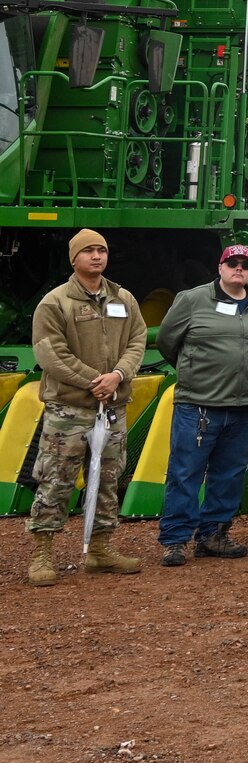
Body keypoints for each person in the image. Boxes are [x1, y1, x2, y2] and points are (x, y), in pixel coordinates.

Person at [25, 229, 149, 585]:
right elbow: (49, 353)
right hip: (69, 410)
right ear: (74, 258)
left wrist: (119, 375)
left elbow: (137, 340)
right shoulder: (56, 302)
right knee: (55, 479)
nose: (97, 256)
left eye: (102, 250)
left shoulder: (123, 298)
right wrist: (95, 380)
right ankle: (42, 553)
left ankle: (100, 550)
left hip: (112, 407)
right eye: (89, 251)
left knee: (109, 479)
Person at [155, 243, 248, 566]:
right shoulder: (192, 300)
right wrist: (193, 373)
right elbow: (167, 341)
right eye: (232, 263)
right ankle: (175, 540)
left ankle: (214, 534)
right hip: (198, 406)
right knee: (185, 473)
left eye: (245, 264)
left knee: (230, 474)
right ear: (220, 267)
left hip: (244, 406)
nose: (239, 268)